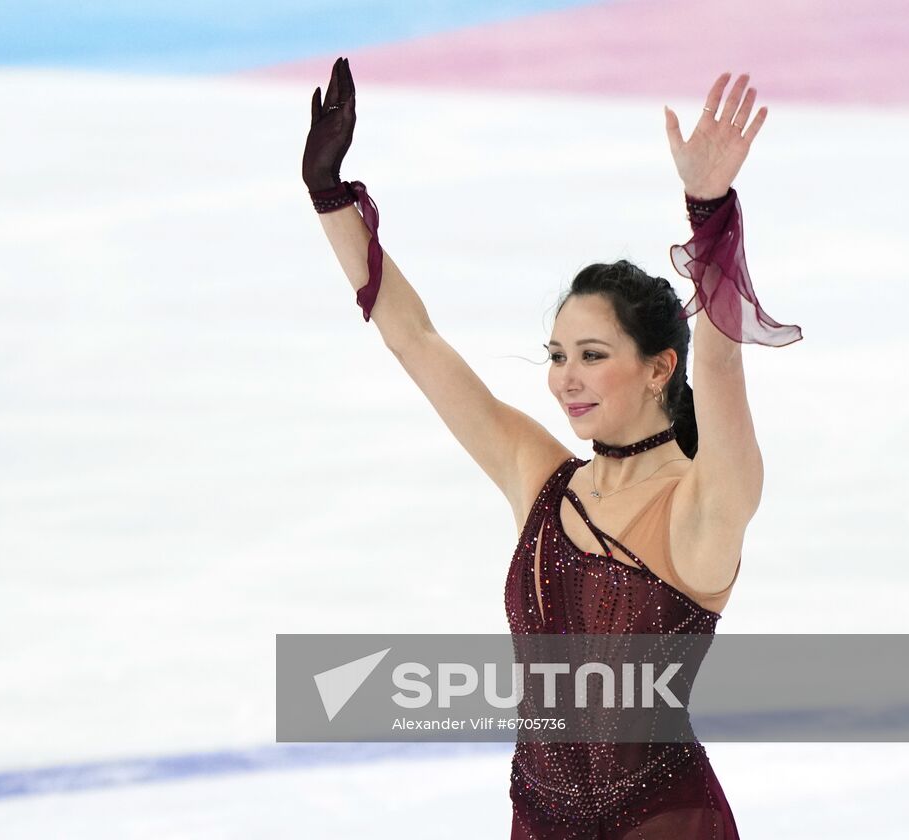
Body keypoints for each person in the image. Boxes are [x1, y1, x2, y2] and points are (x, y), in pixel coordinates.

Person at [302, 59, 803, 839]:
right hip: (539, 819)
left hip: (662, 821)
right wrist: (331, 196)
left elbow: (723, 363)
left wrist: (707, 212)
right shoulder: (540, 477)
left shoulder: (706, 501)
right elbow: (415, 339)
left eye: (593, 356)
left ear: (659, 367)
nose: (567, 378)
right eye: (558, 355)